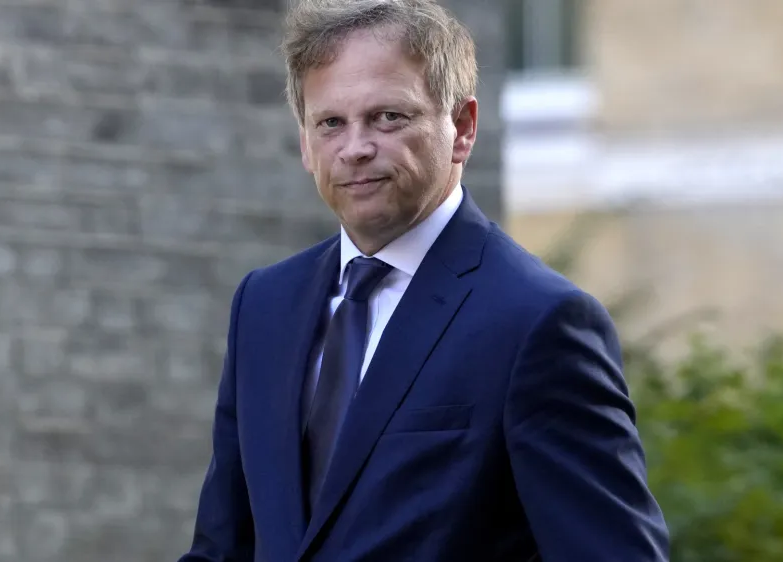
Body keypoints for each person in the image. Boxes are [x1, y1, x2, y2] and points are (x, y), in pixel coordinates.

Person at [178, 0, 669, 560]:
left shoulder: (537, 322)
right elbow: (223, 547)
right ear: (306, 145)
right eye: (331, 123)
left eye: (388, 117)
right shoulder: (265, 306)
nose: (356, 147)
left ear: (462, 128)